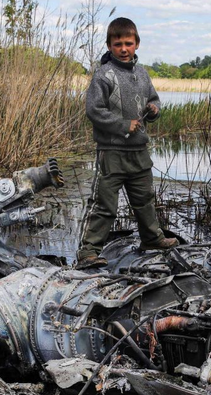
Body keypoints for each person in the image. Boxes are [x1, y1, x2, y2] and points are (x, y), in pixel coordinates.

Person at [75, 17, 178, 269]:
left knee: (145, 199)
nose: (123, 48)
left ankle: (152, 239)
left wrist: (154, 110)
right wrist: (122, 125)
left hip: (139, 152)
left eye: (128, 43)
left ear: (137, 44)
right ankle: (88, 252)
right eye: (118, 43)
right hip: (111, 152)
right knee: (105, 204)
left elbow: (155, 99)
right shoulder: (103, 75)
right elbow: (94, 110)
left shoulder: (142, 74)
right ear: (109, 46)